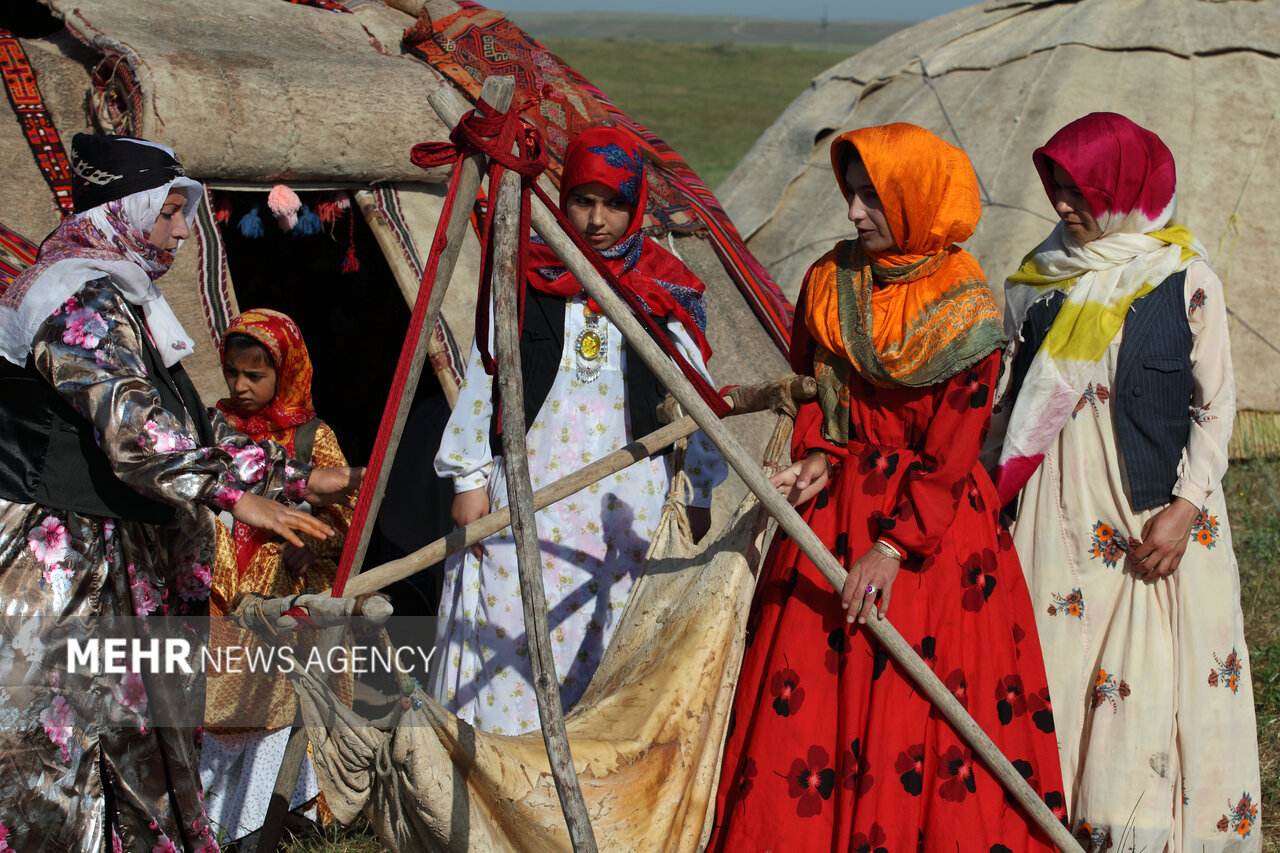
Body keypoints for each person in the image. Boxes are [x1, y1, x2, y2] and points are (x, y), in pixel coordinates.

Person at [709, 123, 1066, 850]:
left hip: (929, 539)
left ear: (913, 200)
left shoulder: (966, 309)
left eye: (873, 197)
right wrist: (819, 453)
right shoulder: (828, 280)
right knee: (806, 711)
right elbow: (819, 390)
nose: (854, 213)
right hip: (831, 520)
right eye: (852, 194)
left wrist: (893, 548)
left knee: (919, 713)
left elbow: (954, 451)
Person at [0, 134, 360, 852]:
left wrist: (294, 476)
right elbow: (133, 430)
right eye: (166, 211)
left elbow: (183, 427)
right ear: (124, 209)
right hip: (64, 566)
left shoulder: (121, 292)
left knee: (136, 758)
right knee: (50, 760)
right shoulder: (75, 297)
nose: (177, 229)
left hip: (115, 555)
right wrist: (232, 495)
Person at [988, 112, 1261, 850]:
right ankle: (1050, 826)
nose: (1063, 207)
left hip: (1151, 518)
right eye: (1058, 189)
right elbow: (1009, 403)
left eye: (1079, 191)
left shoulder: (1183, 278)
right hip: (1056, 513)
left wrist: (1185, 509)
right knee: (1056, 669)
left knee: (1148, 685)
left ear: (1124, 187)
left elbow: (1216, 407)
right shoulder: (1040, 281)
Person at [432, 125, 727, 735]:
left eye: (615, 204)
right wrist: (469, 474)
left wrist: (697, 491)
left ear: (637, 204)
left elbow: (694, 400)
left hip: (624, 497)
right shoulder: (526, 273)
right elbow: (486, 374)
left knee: (605, 634)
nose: (597, 220)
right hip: (529, 486)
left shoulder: (664, 288)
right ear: (561, 200)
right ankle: (498, 783)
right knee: (509, 627)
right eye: (583, 201)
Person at [200, 308, 354, 841]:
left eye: (255, 375)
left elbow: (346, 520)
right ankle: (217, 816)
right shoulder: (211, 426)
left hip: (282, 598)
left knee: (275, 704)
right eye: (232, 373)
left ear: (286, 371)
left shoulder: (313, 438)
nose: (240, 387)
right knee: (218, 704)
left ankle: (277, 813)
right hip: (222, 594)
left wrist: (314, 548)